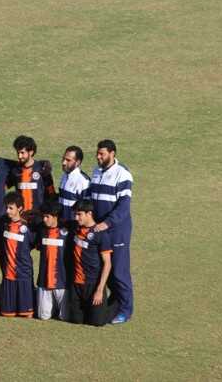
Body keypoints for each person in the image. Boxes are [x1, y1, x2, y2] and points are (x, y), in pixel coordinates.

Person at [89, 139, 134, 324]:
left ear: (112, 153)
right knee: (103, 269)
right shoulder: (96, 172)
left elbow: (123, 207)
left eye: (102, 154)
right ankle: (113, 304)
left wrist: (107, 223)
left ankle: (126, 310)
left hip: (117, 230)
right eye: (98, 153)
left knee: (119, 272)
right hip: (101, 229)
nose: (99, 157)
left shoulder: (123, 175)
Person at [69, 200, 115, 326]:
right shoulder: (75, 227)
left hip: (93, 285)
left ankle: (116, 302)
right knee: (76, 320)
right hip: (76, 284)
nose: (76, 218)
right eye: (75, 214)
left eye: (79, 214)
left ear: (89, 213)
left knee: (97, 322)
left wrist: (99, 290)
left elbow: (107, 263)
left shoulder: (100, 234)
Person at [0, 192, 35, 318]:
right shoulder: (3, 223)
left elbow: (34, 243)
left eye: (11, 208)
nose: (7, 211)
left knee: (27, 315)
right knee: (7, 314)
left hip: (23, 274)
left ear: (19, 209)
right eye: (6, 207)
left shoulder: (28, 226)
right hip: (8, 274)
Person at [35, 202, 69, 321]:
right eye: (43, 216)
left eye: (47, 217)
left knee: (64, 317)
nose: (44, 219)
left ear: (56, 217)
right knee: (43, 316)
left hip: (63, 282)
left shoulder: (67, 231)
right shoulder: (40, 230)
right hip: (44, 281)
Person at [8, 135, 56, 213]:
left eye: (22, 153)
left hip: (39, 217)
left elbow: (51, 193)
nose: (19, 156)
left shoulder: (42, 169)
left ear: (31, 152)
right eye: (18, 153)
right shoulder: (15, 171)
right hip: (21, 216)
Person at [59, 145, 90, 225]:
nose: (63, 162)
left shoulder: (84, 181)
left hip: (74, 226)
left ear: (77, 162)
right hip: (62, 224)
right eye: (63, 159)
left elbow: (86, 208)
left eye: (68, 160)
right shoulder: (64, 176)